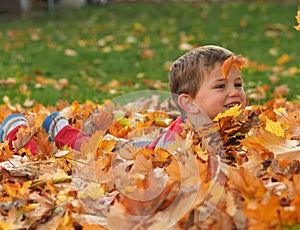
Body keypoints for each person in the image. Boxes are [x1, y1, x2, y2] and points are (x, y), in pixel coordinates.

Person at [0, 45, 247, 154]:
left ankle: (60, 129)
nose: (234, 92)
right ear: (189, 103)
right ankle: (18, 136)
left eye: (238, 84)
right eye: (220, 86)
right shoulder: (181, 137)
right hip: (129, 161)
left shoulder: (236, 124)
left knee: (104, 145)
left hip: (140, 146)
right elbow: (157, 167)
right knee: (95, 152)